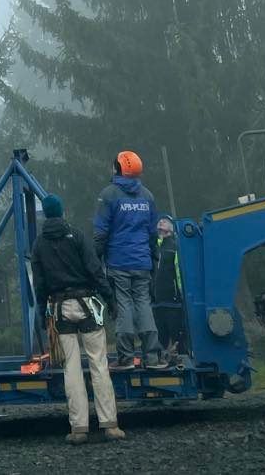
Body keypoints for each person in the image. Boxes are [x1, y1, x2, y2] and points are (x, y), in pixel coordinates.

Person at [31, 194, 125, 445]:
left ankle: (79, 428)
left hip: (59, 310)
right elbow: (94, 270)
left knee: (71, 369)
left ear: (46, 215)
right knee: (99, 364)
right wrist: (110, 299)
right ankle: (110, 425)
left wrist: (41, 314)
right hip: (86, 305)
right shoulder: (77, 236)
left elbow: (39, 285)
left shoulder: (39, 244)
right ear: (61, 212)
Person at [94, 150, 162, 370]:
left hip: (119, 262)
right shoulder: (147, 196)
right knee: (143, 303)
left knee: (124, 305)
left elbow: (101, 232)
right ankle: (152, 357)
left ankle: (126, 357)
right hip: (143, 262)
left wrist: (96, 257)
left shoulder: (108, 195)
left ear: (118, 168)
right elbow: (153, 232)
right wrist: (153, 256)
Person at [152, 216, 185, 357]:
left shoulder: (176, 246)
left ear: (172, 228)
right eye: (160, 220)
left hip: (173, 300)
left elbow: (179, 272)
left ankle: (181, 356)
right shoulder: (153, 247)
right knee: (160, 337)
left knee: (177, 335)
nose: (161, 221)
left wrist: (180, 292)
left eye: (165, 220)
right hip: (156, 301)